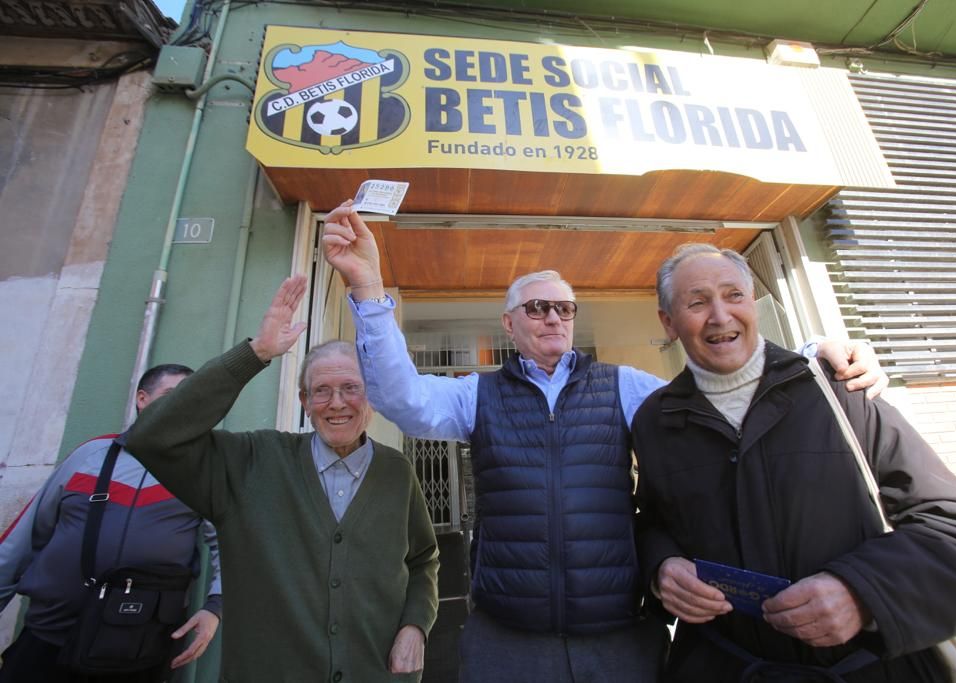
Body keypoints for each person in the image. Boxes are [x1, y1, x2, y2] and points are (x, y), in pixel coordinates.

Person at [319, 200, 890, 683]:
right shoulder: (478, 395)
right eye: (537, 308)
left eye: (564, 308)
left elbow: (719, 397)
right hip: (507, 640)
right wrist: (369, 286)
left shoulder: (624, 387)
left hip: (619, 640)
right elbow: (402, 399)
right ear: (510, 323)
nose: (553, 318)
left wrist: (812, 357)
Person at [633, 243, 956, 681]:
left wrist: (862, 593)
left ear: (752, 303)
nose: (720, 316)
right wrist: (662, 567)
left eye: (734, 296)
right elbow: (653, 523)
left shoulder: (840, 391)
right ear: (669, 322)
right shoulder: (655, 422)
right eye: (697, 303)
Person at [124, 276, 439, 683]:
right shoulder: (250, 461)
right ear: (305, 403)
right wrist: (254, 354)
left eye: (351, 388)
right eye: (321, 391)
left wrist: (416, 625)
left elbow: (422, 560)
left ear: (372, 400)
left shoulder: (397, 471)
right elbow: (150, 436)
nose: (337, 403)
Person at [0, 364, 222, 683]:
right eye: (171, 395)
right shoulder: (90, 455)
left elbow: (228, 549)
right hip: (49, 637)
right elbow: (24, 538)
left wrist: (214, 608)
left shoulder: (202, 471)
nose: (181, 405)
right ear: (142, 399)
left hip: (137, 646)